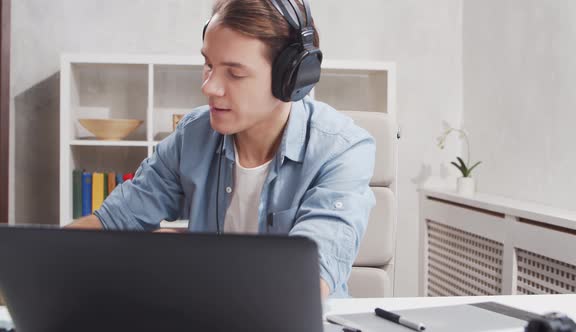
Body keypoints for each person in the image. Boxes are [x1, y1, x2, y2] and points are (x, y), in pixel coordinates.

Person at [67, 0, 376, 298]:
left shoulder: (342, 150)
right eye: (208, 64)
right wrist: (40, 258)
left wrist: (188, 255)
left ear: (291, 77)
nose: (209, 87)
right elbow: (114, 221)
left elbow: (304, 282)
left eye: (235, 73)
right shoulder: (194, 135)